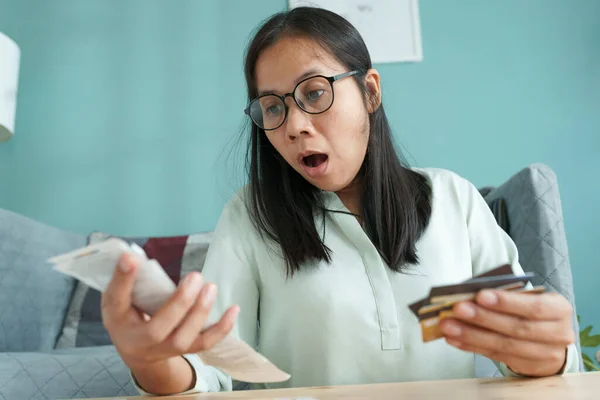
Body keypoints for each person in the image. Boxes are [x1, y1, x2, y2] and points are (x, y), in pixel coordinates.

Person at [100, 6, 579, 396]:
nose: (293, 125)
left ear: (370, 91)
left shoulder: (453, 198)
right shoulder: (251, 216)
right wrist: (150, 359)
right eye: (273, 107)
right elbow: (209, 370)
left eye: (313, 93)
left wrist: (551, 353)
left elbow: (535, 360)